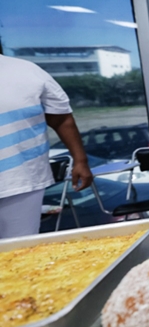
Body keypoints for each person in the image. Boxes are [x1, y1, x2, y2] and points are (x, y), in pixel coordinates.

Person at [0, 54, 93, 239]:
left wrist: (80, 160)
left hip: (20, 179)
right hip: (22, 179)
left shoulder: (27, 71)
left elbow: (61, 118)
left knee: (19, 252)